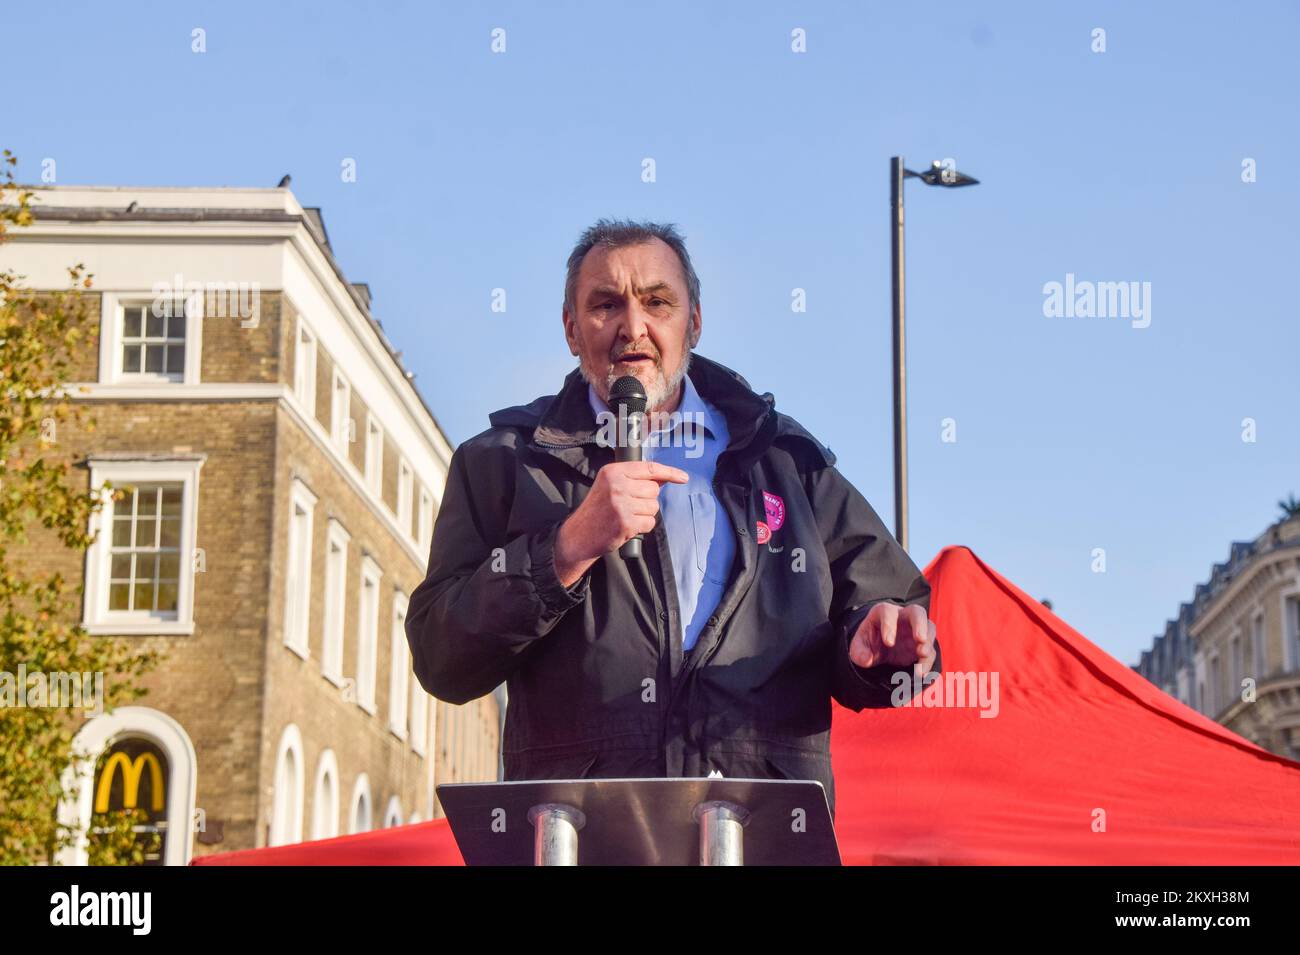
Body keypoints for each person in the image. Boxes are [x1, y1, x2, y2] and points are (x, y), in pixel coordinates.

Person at [406, 218, 940, 819]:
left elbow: (888, 610)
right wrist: (565, 550)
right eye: (605, 304)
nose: (633, 326)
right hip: (582, 833)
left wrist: (881, 640)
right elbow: (441, 655)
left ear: (695, 322)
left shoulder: (786, 462)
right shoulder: (503, 462)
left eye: (657, 302)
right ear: (571, 329)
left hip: (758, 829)